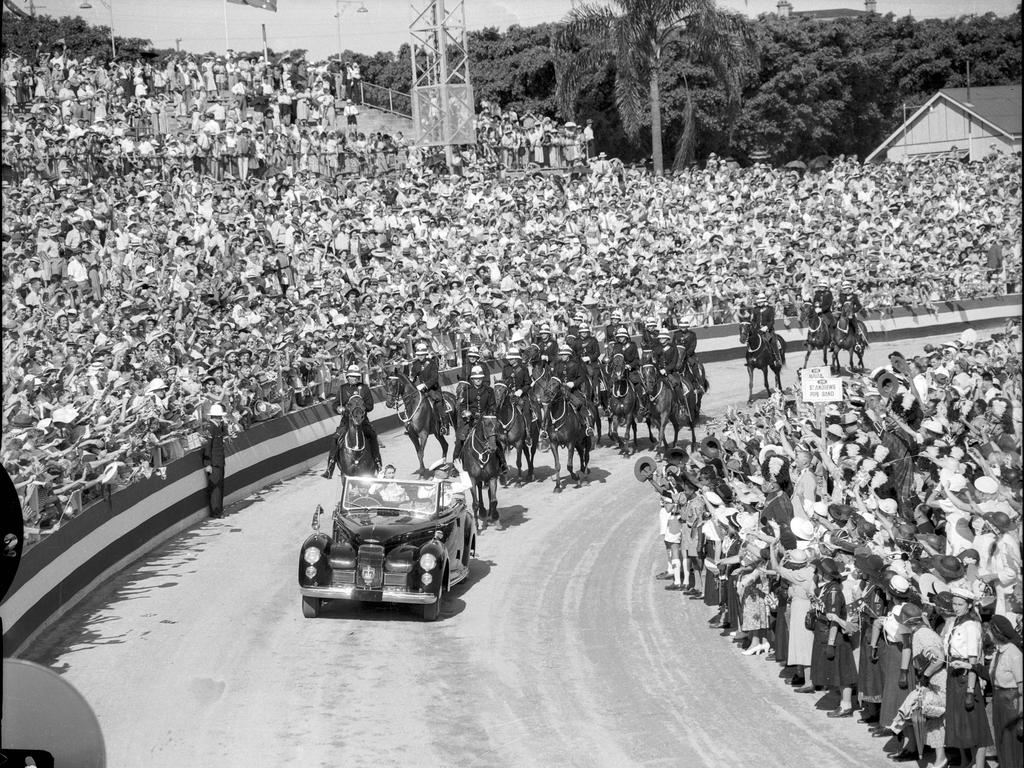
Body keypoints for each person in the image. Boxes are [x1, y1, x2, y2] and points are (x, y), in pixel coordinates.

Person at [323, 364, 381, 478]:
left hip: (362, 421)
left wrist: (362, 408)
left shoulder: (364, 388)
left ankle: (378, 463)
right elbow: (335, 404)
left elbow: (370, 406)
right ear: (347, 376)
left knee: (373, 436)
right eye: (351, 376)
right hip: (346, 421)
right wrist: (339, 409)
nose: (353, 378)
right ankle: (330, 467)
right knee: (335, 438)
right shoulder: (342, 388)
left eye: (355, 376)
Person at [455, 365, 507, 473]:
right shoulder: (467, 391)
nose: (477, 380)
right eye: (475, 378)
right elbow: (463, 405)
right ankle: (456, 463)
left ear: (482, 378)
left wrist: (488, 415)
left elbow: (492, 405)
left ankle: (502, 464)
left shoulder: (489, 391)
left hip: (486, 420)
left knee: (495, 439)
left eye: (479, 378)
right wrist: (466, 412)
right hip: (471, 421)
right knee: (461, 438)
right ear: (472, 379)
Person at [551, 343, 595, 436]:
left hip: (573, 390)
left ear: (569, 355)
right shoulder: (557, 365)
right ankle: (546, 427)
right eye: (561, 354)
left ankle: (588, 425)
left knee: (579, 403)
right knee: (548, 404)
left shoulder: (576, 365)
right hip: (559, 391)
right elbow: (554, 377)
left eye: (565, 354)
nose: (563, 356)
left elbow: (582, 377)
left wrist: (574, 383)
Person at [607, 326, 647, 419]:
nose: (620, 338)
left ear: (626, 336)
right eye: (619, 336)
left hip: (630, 371)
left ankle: (641, 406)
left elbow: (637, 359)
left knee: (638, 385)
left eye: (622, 336)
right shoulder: (616, 346)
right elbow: (613, 359)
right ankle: (609, 406)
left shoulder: (632, 345)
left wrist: (630, 365)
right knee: (609, 384)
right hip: (618, 371)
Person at [410, 341, 448, 434]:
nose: (420, 356)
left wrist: (425, 385)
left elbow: (434, 378)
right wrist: (410, 381)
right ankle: (410, 424)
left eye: (422, 354)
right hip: (421, 390)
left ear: (425, 354)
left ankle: (444, 425)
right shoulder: (415, 364)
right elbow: (413, 376)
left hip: (433, 389)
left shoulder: (432, 363)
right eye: (418, 355)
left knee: (438, 403)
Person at [201, 403, 227, 518]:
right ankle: (216, 512)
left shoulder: (216, 426)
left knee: (219, 486)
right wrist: (207, 464)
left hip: (219, 461)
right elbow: (207, 447)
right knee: (215, 488)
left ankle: (219, 510)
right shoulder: (210, 427)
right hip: (214, 463)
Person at [752, 292, 783, 368]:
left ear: (764, 301)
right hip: (758, 330)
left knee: (773, 342)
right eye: (758, 302)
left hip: (768, 330)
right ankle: (752, 356)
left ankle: (777, 359)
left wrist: (766, 327)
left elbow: (772, 321)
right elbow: (754, 320)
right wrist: (754, 326)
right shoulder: (755, 310)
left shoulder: (770, 309)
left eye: (761, 302)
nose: (759, 303)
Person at [836, 279, 869, 347]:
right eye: (845, 289)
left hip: (851, 314)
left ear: (850, 288)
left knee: (854, 323)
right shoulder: (841, 296)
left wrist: (853, 311)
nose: (846, 290)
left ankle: (857, 336)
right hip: (843, 313)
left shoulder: (854, 296)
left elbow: (859, 306)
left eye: (848, 288)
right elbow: (841, 303)